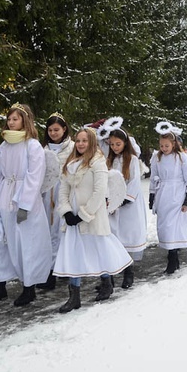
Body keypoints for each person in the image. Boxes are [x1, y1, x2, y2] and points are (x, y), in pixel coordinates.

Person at [53, 127, 132, 313]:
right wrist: (66, 212)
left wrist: (83, 214)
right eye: (78, 140)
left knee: (98, 250)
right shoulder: (70, 163)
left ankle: (106, 282)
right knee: (73, 255)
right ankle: (74, 296)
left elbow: (99, 192)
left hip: (92, 217)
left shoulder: (98, 162)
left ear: (92, 142)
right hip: (72, 219)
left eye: (85, 141)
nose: (81, 144)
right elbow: (63, 190)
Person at [0, 103, 52, 307]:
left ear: (25, 120)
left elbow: (34, 176)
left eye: (15, 119)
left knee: (24, 243)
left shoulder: (32, 145)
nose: (11, 122)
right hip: (3, 196)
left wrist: (25, 204)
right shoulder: (4, 146)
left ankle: (29, 288)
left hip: (22, 198)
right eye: (9, 119)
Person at [149, 123, 187, 274]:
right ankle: (172, 255)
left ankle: (173, 256)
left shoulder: (181, 158)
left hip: (177, 194)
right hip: (163, 194)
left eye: (166, 145)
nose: (164, 148)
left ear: (174, 143)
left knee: (173, 226)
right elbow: (153, 178)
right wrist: (152, 196)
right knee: (164, 226)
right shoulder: (157, 158)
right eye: (161, 145)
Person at [106, 125, 147, 289]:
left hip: (128, 205)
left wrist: (123, 199)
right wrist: (108, 199)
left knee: (128, 238)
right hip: (112, 206)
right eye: (112, 144)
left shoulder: (132, 160)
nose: (115, 147)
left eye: (118, 144)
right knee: (114, 239)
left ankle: (129, 272)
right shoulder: (109, 160)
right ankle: (112, 274)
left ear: (125, 143)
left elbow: (134, 182)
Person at [38, 112, 74, 291]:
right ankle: (50, 270)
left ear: (64, 129)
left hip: (65, 192)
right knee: (48, 231)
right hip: (47, 194)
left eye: (57, 129)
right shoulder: (42, 149)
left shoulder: (73, 147)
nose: (53, 133)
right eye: (50, 130)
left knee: (63, 231)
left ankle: (65, 267)